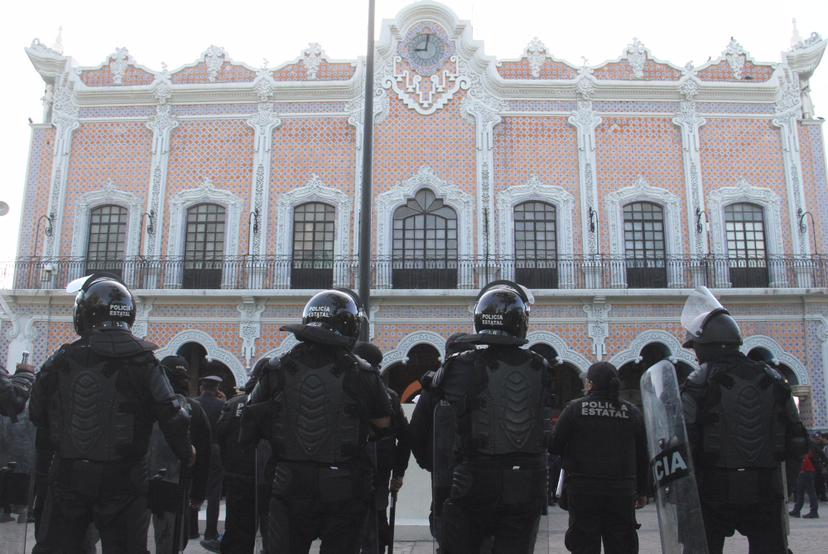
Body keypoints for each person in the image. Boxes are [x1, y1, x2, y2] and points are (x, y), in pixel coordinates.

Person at [29, 273, 193, 554]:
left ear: (85, 313)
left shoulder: (61, 358)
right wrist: (187, 453)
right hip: (124, 479)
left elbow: (36, 413)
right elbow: (171, 414)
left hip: (67, 476)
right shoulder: (144, 361)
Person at [241, 289, 392, 554]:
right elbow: (383, 424)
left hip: (288, 482)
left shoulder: (276, 367)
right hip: (344, 485)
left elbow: (250, 416)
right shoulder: (363, 372)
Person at [410, 281, 551, 553]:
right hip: (528, 480)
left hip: (477, 477)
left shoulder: (462, 364)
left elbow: (435, 388)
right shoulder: (540, 365)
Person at [680, 287, 808, 554]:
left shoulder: (699, 380)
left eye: (696, 347)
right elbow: (796, 438)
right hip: (765, 487)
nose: (695, 354)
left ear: (706, 346)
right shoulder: (771, 377)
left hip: (713, 489)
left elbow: (684, 438)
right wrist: (784, 482)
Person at [549, 362, 649, 554]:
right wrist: (643, 490)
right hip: (622, 491)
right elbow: (642, 455)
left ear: (590, 384)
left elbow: (555, 446)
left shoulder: (574, 409)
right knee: (621, 544)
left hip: (583, 491)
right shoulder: (631, 412)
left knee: (584, 545)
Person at [408, 332, 474, 543]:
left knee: (444, 520)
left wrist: (429, 462)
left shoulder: (433, 387)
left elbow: (416, 432)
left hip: (443, 469)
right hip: (481, 469)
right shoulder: (485, 382)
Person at [149, 355, 213, 553]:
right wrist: (198, 493)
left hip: (140, 479)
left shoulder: (146, 405)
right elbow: (204, 455)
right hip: (175, 484)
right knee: (169, 541)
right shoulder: (194, 409)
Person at [353, 341, 411, 554]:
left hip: (349, 472)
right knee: (375, 526)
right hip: (378, 472)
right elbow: (405, 438)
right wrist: (398, 473)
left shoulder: (343, 389)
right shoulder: (390, 397)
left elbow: (405, 438)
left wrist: (398, 473)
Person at [215, 357, 270, 554]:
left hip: (238, 477)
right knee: (274, 535)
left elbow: (220, 436)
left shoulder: (234, 404)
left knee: (237, 534)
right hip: (272, 480)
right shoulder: (280, 404)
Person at [193, 374, 225, 549]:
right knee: (214, 492)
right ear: (217, 389)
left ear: (201, 388)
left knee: (192, 487)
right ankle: (211, 531)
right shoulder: (222, 405)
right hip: (215, 450)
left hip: (195, 450)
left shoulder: (193, 403)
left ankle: (191, 528)